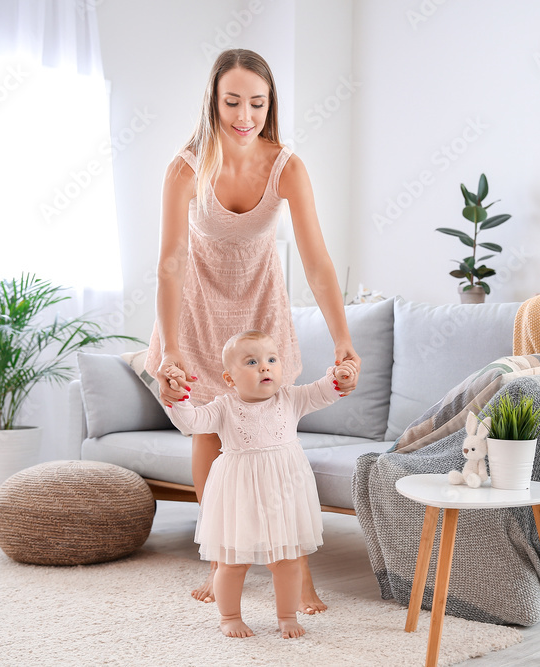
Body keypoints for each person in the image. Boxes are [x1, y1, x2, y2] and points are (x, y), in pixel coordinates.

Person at [144, 48, 361, 615]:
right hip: (196, 303)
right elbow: (169, 263)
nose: (245, 114)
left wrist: (343, 340)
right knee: (210, 438)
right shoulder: (186, 167)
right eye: (233, 101)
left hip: (259, 302)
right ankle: (222, 565)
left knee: (276, 435)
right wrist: (168, 349)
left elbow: (316, 261)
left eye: (257, 103)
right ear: (213, 101)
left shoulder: (286, 165)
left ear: (271, 105)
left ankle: (300, 571)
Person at [163, 330, 356, 638]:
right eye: (252, 362)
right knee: (232, 562)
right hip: (240, 494)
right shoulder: (223, 406)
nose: (265, 367)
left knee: (288, 560)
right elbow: (192, 422)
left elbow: (325, 391)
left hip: (284, 492)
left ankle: (286, 616)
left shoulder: (292, 398)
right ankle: (230, 617)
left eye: (271, 359)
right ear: (230, 378)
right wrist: (179, 397)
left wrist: (340, 377)